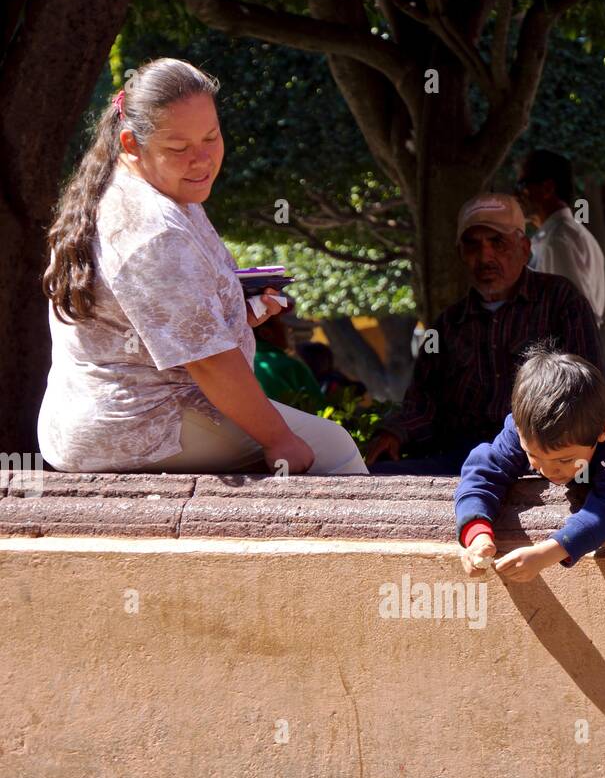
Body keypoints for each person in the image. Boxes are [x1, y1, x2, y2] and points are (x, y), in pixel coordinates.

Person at [39, 58, 367, 475]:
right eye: (179, 148)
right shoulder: (151, 228)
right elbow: (207, 360)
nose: (202, 159)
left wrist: (240, 312)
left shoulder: (154, 190)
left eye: (211, 137)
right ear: (131, 144)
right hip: (137, 424)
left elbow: (170, 324)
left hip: (108, 418)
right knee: (331, 447)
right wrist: (279, 440)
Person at [365, 193, 603, 474]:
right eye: (473, 245)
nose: (485, 256)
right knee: (377, 476)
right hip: (462, 458)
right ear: (461, 255)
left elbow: (588, 388)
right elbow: (423, 402)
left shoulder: (562, 301)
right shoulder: (447, 325)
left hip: (536, 458)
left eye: (497, 242)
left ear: (525, 248)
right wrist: (393, 432)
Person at [455, 345, 605, 583]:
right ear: (519, 430)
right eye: (535, 457)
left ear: (603, 431)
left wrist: (546, 554)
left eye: (565, 460)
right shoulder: (527, 427)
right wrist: (477, 534)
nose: (549, 471)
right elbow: (484, 472)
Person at [516, 150, 605, 324]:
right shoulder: (570, 235)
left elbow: (574, 318)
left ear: (547, 188)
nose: (516, 195)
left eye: (522, 185)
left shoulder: (558, 241)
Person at [254, 314, 324, 414]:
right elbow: (322, 409)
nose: (289, 329)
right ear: (265, 333)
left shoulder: (244, 365)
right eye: (282, 323)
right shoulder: (290, 365)